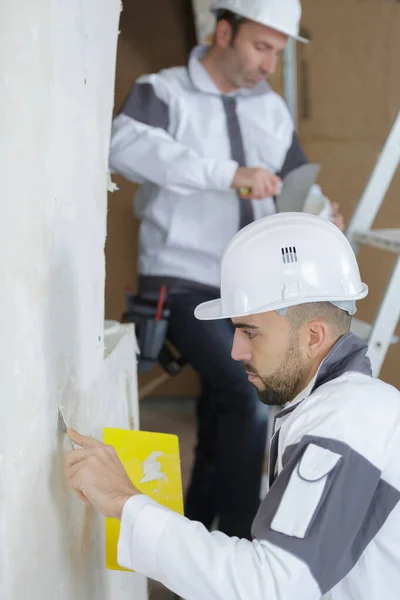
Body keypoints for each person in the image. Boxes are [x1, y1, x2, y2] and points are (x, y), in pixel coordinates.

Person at [67, 212, 400, 600]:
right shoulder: (339, 408)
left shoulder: (345, 420)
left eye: (250, 332)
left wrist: (124, 502)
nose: (235, 350)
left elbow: (274, 586)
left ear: (313, 336)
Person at [109, 0, 344, 539]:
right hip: (180, 279)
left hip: (252, 285)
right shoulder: (163, 90)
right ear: (222, 32)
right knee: (247, 394)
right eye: (261, 48)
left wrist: (318, 211)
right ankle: (241, 541)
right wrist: (227, 174)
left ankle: (196, 534)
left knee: (224, 407)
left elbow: (294, 183)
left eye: (277, 53)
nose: (268, 65)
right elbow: (122, 146)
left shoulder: (271, 109)